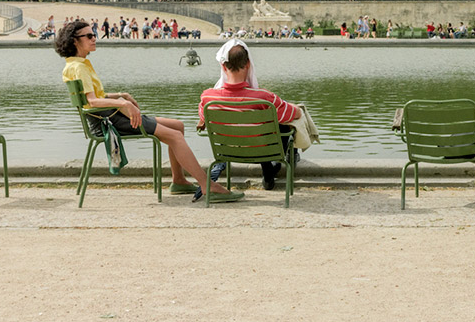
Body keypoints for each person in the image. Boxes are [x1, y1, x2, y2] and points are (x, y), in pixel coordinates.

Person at [54, 20, 242, 202]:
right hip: (111, 121)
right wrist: (123, 104)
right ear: (74, 41)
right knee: (175, 136)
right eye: (88, 36)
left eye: (94, 34)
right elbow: (92, 101)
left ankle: (178, 181)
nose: (94, 38)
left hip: (109, 117)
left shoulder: (76, 64)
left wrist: (122, 95)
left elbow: (94, 97)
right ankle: (207, 185)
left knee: (178, 126)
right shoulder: (79, 68)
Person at [198, 40, 302, 192]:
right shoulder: (265, 98)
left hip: (229, 152)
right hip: (263, 151)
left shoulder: (208, 98)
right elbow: (295, 114)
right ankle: (269, 171)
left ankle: (269, 171)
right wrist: (293, 106)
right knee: (283, 123)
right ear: (248, 64)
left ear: (223, 66)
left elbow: (203, 117)